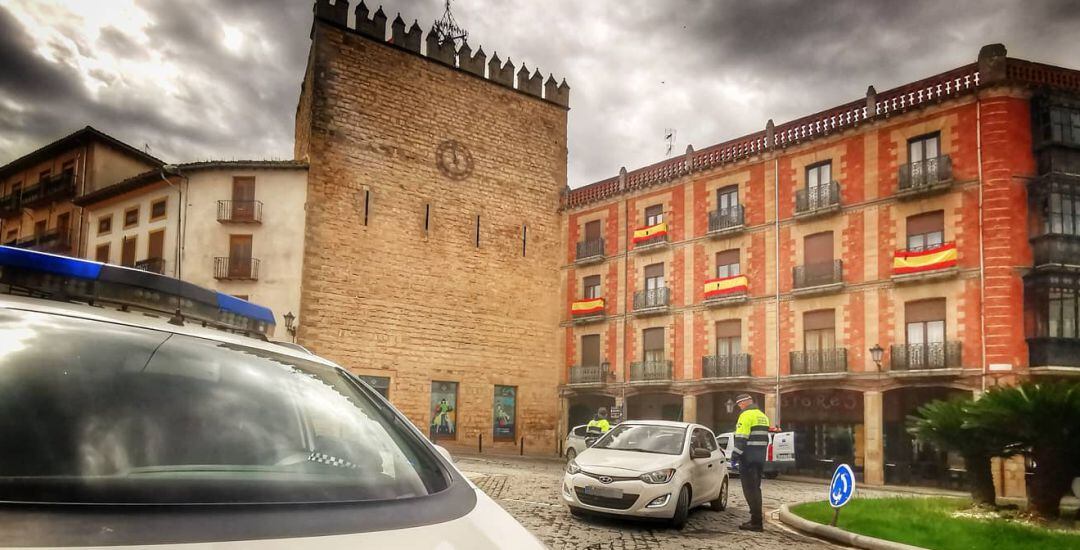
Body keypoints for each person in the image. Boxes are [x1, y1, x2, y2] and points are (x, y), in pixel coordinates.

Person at [732, 393, 770, 532]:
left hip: (748, 459)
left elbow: (741, 438)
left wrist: (735, 456)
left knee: (749, 490)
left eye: (739, 404)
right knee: (756, 489)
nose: (739, 407)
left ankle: (756, 522)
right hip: (759, 458)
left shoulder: (745, 415)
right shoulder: (763, 416)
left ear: (743, 403)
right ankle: (756, 520)